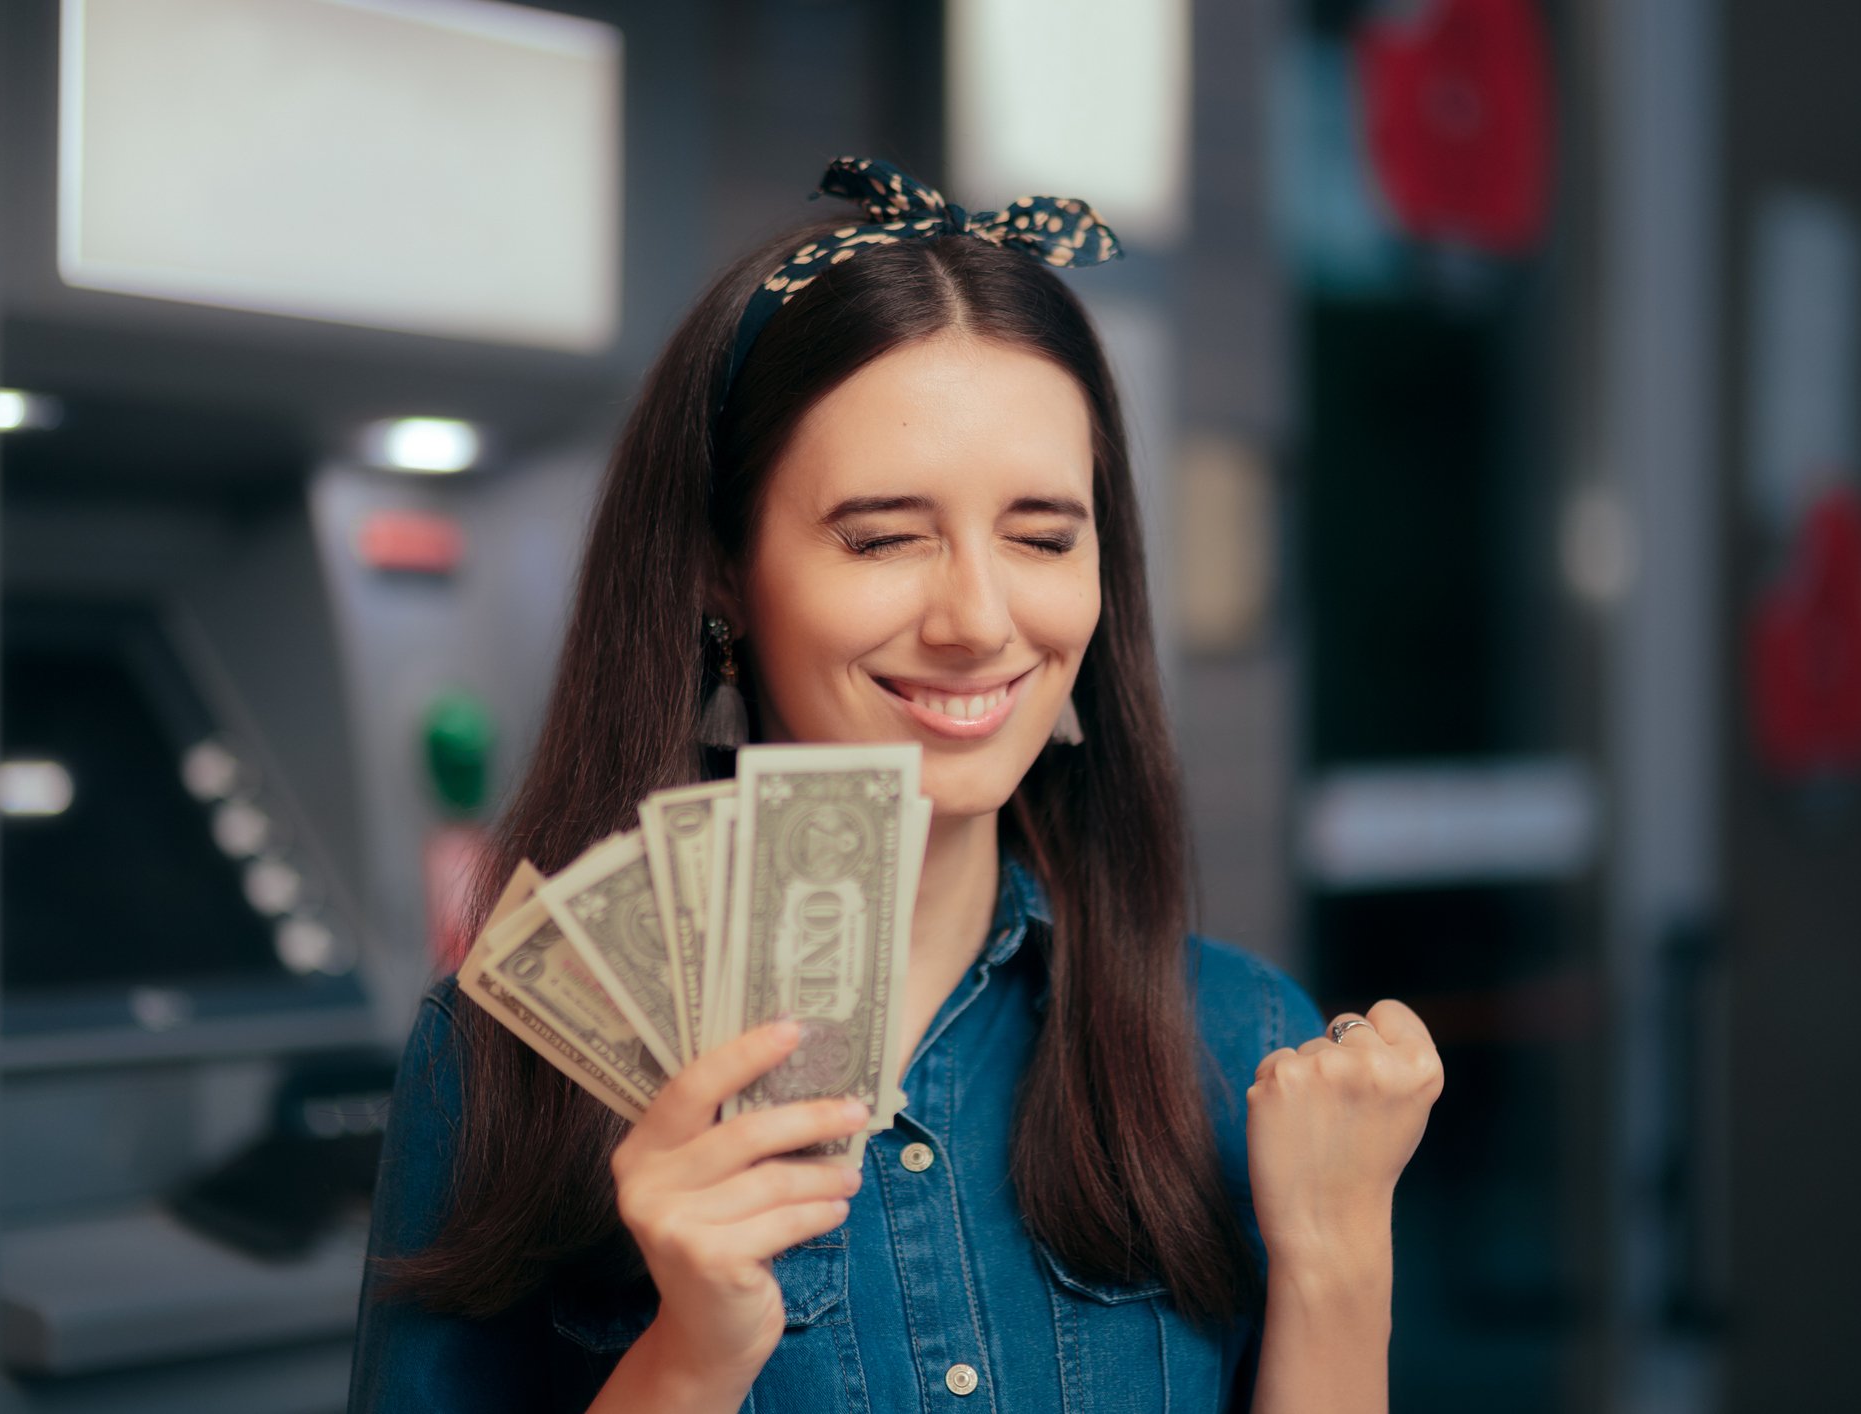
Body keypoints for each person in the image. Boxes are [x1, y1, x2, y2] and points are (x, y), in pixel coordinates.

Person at [348, 157, 1442, 1414]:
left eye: (1042, 536)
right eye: (883, 537)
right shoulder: (500, 1071)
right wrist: (692, 1353)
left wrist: (1340, 1249)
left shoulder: (1240, 1040)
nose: (979, 618)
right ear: (720, 572)